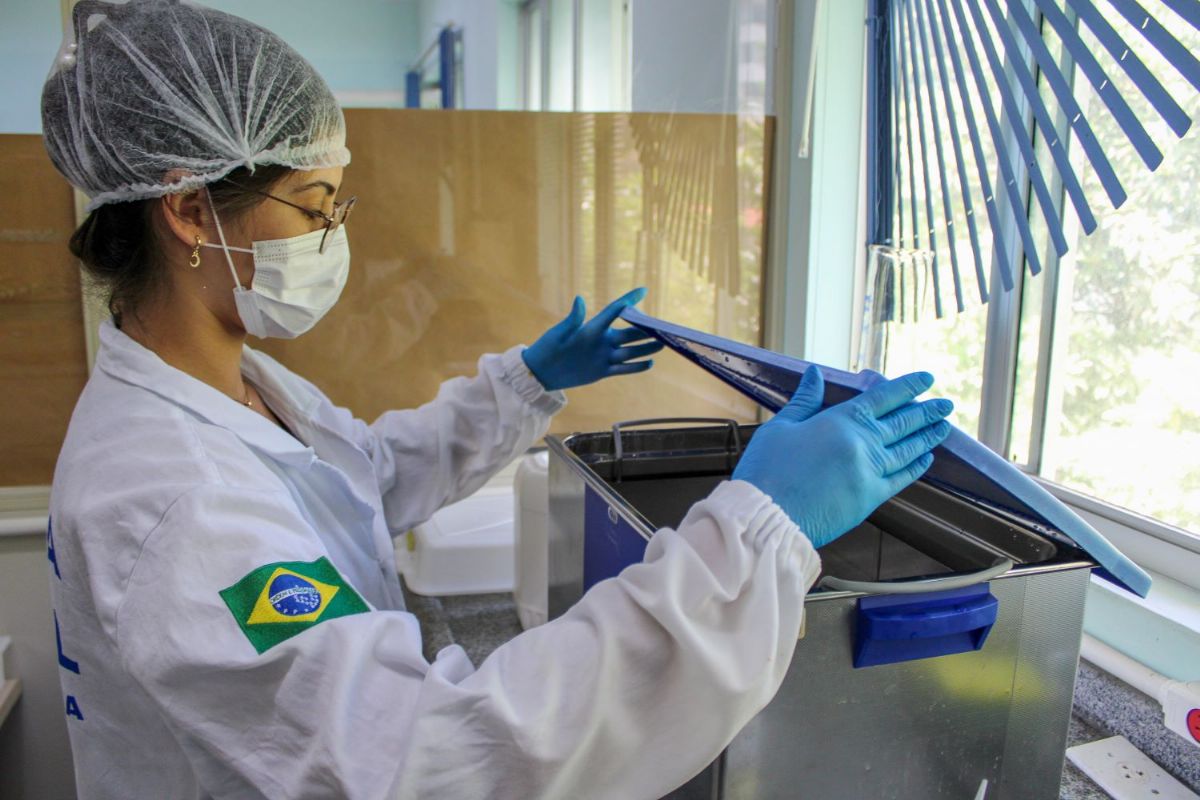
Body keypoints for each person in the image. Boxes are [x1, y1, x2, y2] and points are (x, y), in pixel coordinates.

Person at [40, 2, 953, 798]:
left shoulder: (225, 385)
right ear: (188, 210)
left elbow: (362, 480)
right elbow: (432, 752)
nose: (330, 236)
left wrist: (526, 384)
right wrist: (755, 535)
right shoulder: (170, 497)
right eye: (314, 205)